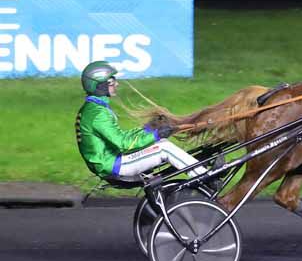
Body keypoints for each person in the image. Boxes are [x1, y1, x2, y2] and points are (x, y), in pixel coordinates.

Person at [75, 61, 207, 180]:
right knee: (164, 148)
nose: (116, 83)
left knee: (162, 142)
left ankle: (200, 171)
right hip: (113, 165)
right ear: (100, 85)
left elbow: (121, 137)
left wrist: (148, 129)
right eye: (111, 81)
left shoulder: (93, 108)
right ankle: (204, 176)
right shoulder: (98, 114)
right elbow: (123, 143)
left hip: (111, 161)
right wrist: (156, 134)